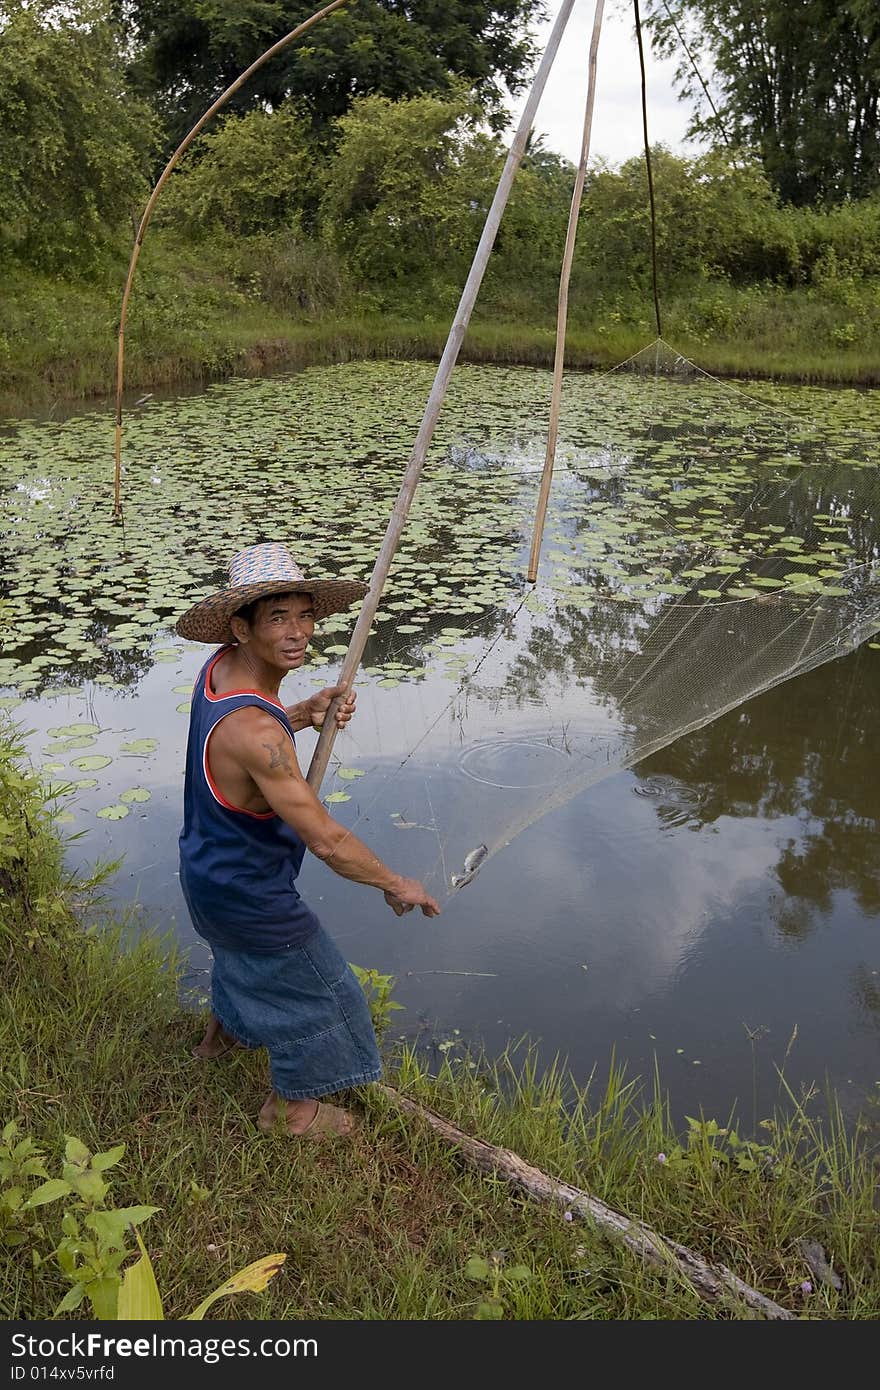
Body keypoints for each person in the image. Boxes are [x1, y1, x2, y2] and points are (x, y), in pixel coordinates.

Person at [175, 541, 440, 1139]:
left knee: (242, 960)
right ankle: (292, 1111)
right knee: (327, 995)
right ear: (241, 627)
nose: (298, 633)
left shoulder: (219, 672)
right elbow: (324, 838)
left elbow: (243, 742)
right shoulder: (256, 730)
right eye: (277, 618)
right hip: (248, 892)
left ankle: (218, 1043)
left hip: (206, 873)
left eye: (305, 615)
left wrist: (301, 712)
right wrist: (395, 882)